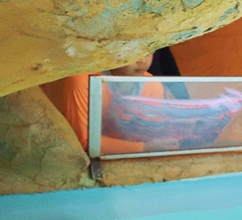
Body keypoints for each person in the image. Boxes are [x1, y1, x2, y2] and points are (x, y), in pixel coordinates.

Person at [44, 54, 174, 154]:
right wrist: (144, 148)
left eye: (149, 51)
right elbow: (83, 142)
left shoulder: (153, 84)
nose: (142, 60)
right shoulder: (83, 81)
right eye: (133, 52)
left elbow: (151, 134)